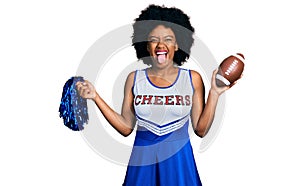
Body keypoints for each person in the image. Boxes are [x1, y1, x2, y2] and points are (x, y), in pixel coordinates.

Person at [76, 4, 241, 186]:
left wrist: (215, 92)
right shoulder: (134, 78)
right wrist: (95, 96)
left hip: (179, 160)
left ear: (177, 45)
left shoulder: (192, 78)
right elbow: (125, 128)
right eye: (154, 39)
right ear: (147, 46)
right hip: (142, 159)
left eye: (168, 39)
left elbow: (201, 130)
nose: (161, 45)